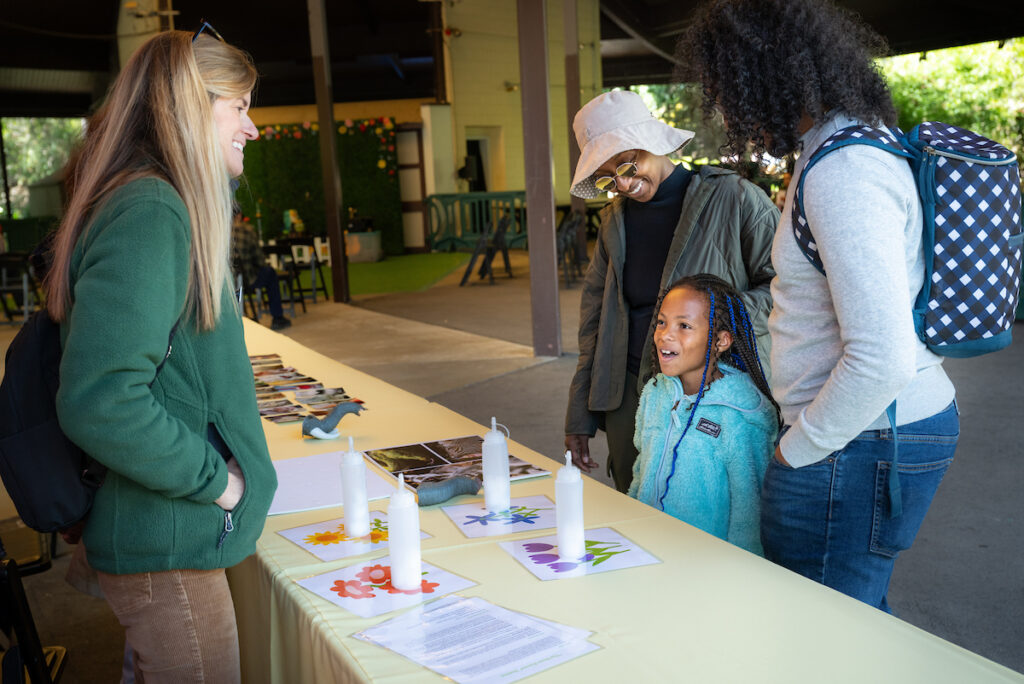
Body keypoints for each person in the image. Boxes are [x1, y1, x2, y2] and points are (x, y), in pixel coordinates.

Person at [682, 0, 958, 611]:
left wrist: (796, 451)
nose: (726, 107)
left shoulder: (845, 170)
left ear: (764, 75)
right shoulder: (838, 148)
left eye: (725, 87)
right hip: (862, 434)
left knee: (828, 629)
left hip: (859, 438)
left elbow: (881, 355)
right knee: (852, 622)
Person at [45, 27, 278, 681]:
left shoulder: (148, 200)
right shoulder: (152, 209)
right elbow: (101, 398)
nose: (252, 128)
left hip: (162, 538)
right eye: (241, 106)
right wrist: (218, 483)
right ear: (194, 106)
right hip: (167, 546)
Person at [564, 89, 779, 492]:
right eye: (608, 178)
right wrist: (580, 416)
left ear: (654, 141)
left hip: (716, 391)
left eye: (629, 164)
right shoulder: (614, 222)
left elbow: (789, 289)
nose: (625, 184)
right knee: (639, 513)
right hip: (629, 397)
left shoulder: (734, 198)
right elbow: (594, 323)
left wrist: (712, 318)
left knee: (717, 515)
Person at [629, 275, 779, 555]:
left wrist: (738, 574)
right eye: (662, 322)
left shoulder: (740, 417)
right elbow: (641, 471)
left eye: (684, 326)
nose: (665, 334)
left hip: (708, 568)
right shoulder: (655, 394)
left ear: (722, 340)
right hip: (648, 549)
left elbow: (749, 514)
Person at [232, 212, 292, 330]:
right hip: (247, 281)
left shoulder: (219, 231)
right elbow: (259, 260)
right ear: (239, 215)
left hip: (229, 284)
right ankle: (277, 317)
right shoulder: (247, 231)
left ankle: (235, 316)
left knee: (238, 286)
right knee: (270, 273)